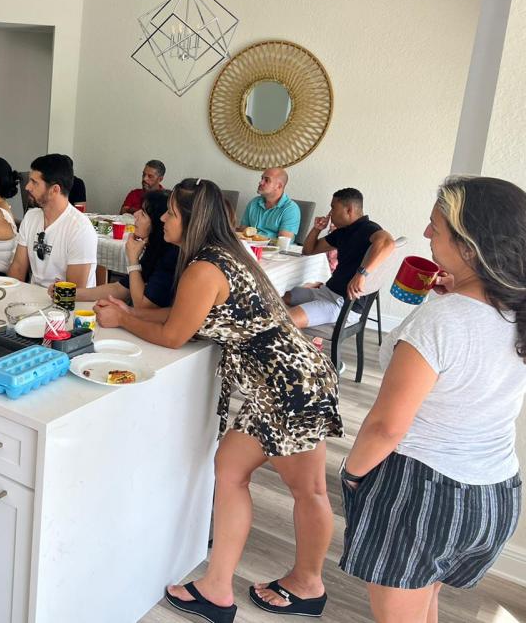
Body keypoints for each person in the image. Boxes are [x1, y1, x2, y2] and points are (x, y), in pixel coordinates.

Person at [94, 178, 342, 621]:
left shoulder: (205, 267)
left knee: (308, 490)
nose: (163, 218)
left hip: (289, 386)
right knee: (229, 469)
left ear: (192, 221)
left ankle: (308, 585)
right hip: (279, 383)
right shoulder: (222, 256)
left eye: (171, 212)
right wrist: (130, 312)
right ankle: (217, 588)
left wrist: (126, 322)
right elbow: (184, 313)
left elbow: (174, 334)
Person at [340, 177, 526, 622]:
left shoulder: (443, 320)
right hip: (495, 494)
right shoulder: (515, 310)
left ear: (470, 247)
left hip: (423, 494)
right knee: (426, 602)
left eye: (435, 228)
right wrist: (458, 291)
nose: (426, 233)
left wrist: (353, 473)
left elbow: (387, 426)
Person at [285, 187, 395, 330]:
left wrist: (362, 274)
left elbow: (388, 242)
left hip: (343, 305)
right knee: (275, 297)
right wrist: (317, 229)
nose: (330, 213)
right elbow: (309, 250)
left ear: (349, 210)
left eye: (333, 207)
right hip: (326, 293)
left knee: (283, 320)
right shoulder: (343, 231)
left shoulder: (368, 228)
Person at [63, 190, 178, 308]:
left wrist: (133, 261)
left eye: (143, 214)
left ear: (158, 224)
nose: (135, 215)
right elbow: (121, 289)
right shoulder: (154, 248)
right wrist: (67, 293)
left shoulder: (171, 256)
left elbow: (142, 306)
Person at [7, 154, 97, 288]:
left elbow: (75, 291)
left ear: (55, 190)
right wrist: (10, 293)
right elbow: (18, 267)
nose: (27, 187)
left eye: (34, 182)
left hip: (63, 300)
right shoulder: (31, 217)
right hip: (32, 296)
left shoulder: (80, 229)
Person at [239, 167, 300, 241]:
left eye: (266, 180)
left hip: (273, 248)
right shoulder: (254, 202)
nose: (260, 182)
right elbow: (242, 231)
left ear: (279, 186)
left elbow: (283, 241)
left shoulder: (290, 209)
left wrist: (257, 240)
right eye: (262, 178)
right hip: (248, 245)